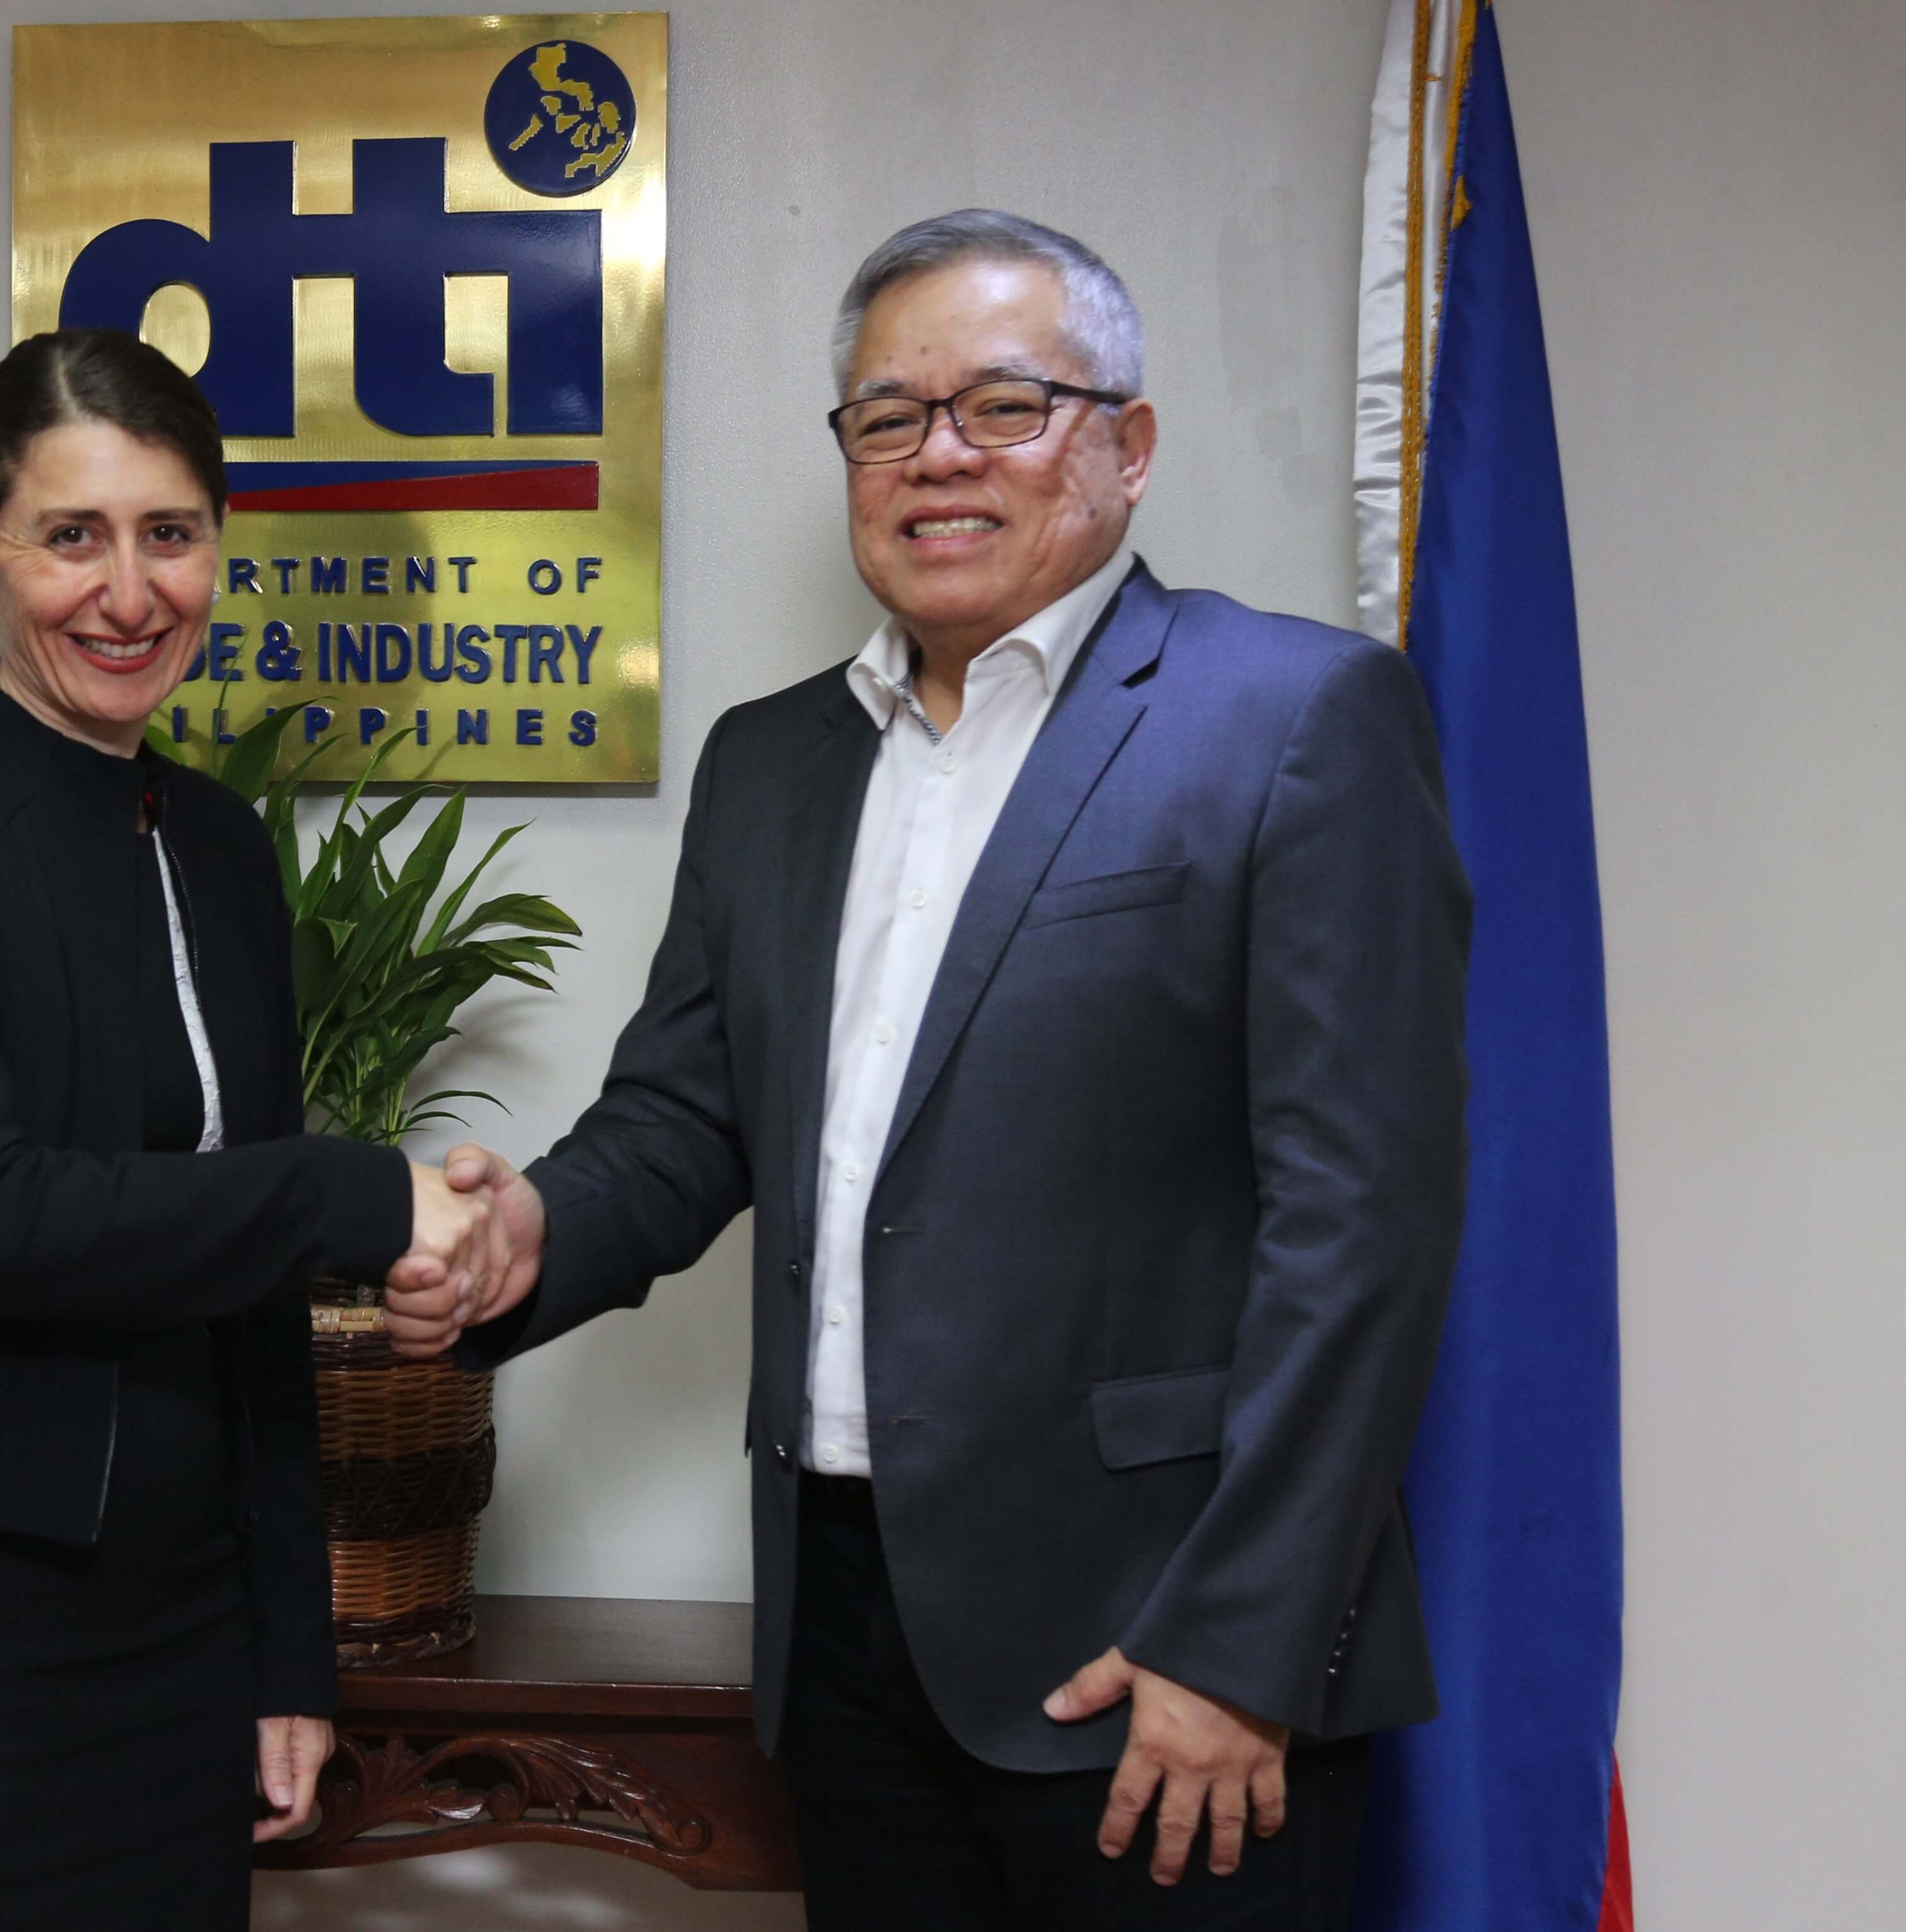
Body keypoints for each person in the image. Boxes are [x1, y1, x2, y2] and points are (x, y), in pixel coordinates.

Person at [396, 211, 1471, 1929]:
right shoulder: (770, 761)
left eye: (1004, 404)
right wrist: (530, 1229)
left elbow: (1364, 1224)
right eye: (888, 416)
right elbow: (682, 1116)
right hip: (841, 1632)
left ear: (1126, 443)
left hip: (1159, 1646)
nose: (939, 454)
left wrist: (1241, 1638)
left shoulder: (1296, 717)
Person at [0, 328, 501, 1929]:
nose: (129, 592)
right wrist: (357, 1193)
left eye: (170, 534)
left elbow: (251, 1304)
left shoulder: (219, 845)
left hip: (173, 1621)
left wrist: (287, 1647)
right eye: (69, 536)